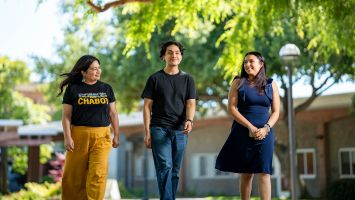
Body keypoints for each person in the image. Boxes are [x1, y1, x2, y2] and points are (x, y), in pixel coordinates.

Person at [215, 51, 280, 200]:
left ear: (261, 64)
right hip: (243, 132)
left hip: (266, 133)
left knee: (265, 171)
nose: (247, 65)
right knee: (246, 172)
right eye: (245, 62)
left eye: (251, 61)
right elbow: (231, 108)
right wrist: (250, 127)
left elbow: (276, 112)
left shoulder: (271, 84)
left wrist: (266, 128)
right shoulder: (238, 82)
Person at [58, 55, 119, 200]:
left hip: (102, 136)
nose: (98, 71)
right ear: (83, 72)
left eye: (99, 68)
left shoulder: (106, 88)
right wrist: (67, 137)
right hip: (78, 135)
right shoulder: (73, 89)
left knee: (98, 174)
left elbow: (113, 113)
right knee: (74, 176)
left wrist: (116, 134)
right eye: (93, 69)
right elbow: (66, 116)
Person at [141, 41, 197, 200]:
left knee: (174, 170)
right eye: (170, 52)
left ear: (181, 56)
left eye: (177, 52)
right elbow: (147, 107)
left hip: (181, 130)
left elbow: (191, 102)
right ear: (163, 56)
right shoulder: (155, 79)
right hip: (159, 129)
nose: (174, 55)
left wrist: (190, 120)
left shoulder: (188, 79)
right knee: (165, 167)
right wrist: (147, 132)